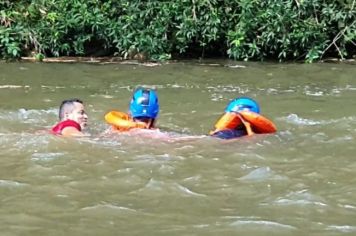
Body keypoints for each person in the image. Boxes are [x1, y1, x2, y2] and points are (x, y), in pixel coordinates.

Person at [210, 97, 276, 139]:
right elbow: (251, 139)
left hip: (221, 137)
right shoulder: (256, 132)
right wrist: (248, 126)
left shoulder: (223, 130)